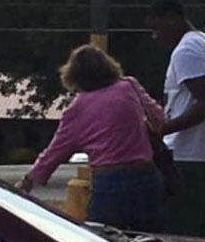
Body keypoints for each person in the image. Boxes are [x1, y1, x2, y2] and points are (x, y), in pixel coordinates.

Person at [18, 44, 165, 232]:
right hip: (145, 176)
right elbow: (159, 118)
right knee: (152, 241)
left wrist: (28, 180)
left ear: (74, 76)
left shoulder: (77, 109)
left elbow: (55, 152)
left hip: (108, 181)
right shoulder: (129, 86)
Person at [145, 0, 205, 239]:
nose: (155, 36)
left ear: (172, 19)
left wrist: (162, 129)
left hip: (190, 157)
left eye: (156, 28)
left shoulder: (185, 51)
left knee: (181, 238)